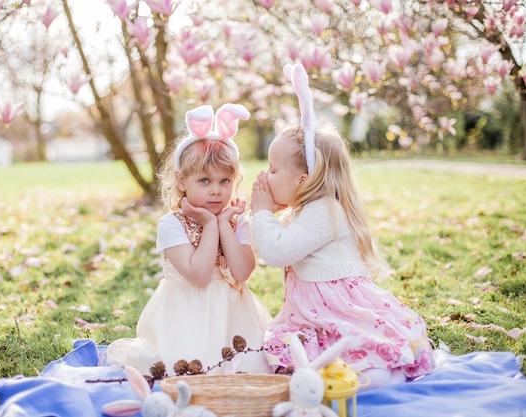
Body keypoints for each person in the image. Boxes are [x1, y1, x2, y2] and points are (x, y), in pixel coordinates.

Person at [250, 63, 434, 390]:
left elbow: (277, 252)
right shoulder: (310, 210)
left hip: (336, 312)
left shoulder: (324, 211)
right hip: (314, 314)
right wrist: (254, 218)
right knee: (285, 359)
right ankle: (352, 374)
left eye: (273, 169)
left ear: (303, 180)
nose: (266, 175)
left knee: (354, 351)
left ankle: (378, 375)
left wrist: (263, 212)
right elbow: (273, 243)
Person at [105, 103, 271, 375]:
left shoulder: (235, 220)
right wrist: (209, 224)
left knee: (249, 367)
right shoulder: (171, 224)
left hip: (235, 319)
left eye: (224, 181)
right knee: (185, 367)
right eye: (204, 181)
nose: (216, 191)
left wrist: (222, 225)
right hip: (184, 318)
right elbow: (199, 276)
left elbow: (241, 272)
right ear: (182, 180)